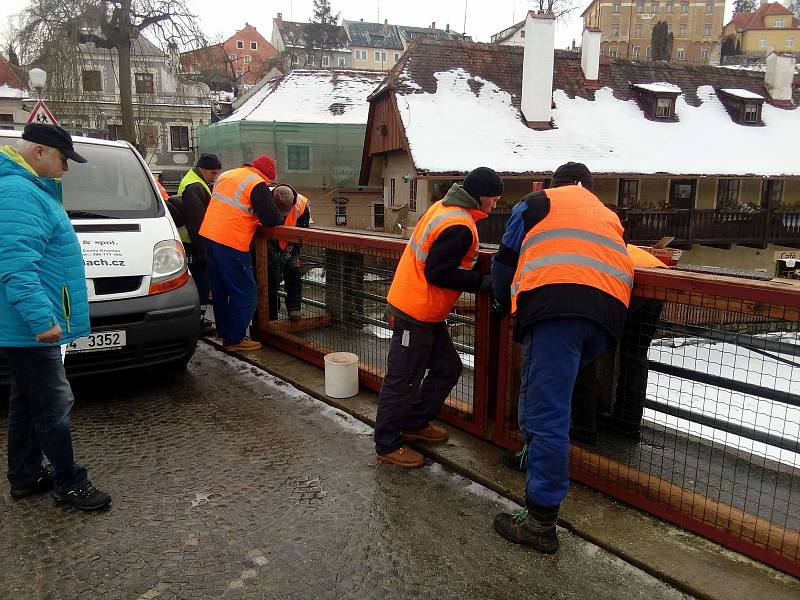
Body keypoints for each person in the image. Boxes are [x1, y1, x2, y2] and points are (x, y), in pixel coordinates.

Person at [490, 162, 633, 552]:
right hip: (607, 318)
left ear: (555, 184)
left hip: (557, 307)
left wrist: (500, 299)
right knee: (547, 393)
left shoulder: (538, 202)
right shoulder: (606, 213)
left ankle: (540, 521)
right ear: (588, 187)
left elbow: (505, 259)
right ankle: (529, 456)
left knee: (546, 412)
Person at [0, 124, 111, 510]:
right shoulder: (19, 193)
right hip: (32, 326)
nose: (66, 168)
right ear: (40, 152)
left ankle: (25, 475)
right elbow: (16, 266)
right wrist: (41, 321)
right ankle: (69, 482)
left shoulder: (28, 190)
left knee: (27, 402)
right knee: (53, 405)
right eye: (64, 159)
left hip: (27, 324)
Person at [374, 167, 502, 468]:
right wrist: (483, 283)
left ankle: (414, 422)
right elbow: (438, 272)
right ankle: (387, 443)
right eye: (494, 200)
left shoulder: (444, 208)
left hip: (426, 311)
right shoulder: (458, 224)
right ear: (481, 197)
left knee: (447, 367)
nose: (495, 206)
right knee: (403, 379)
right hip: (415, 311)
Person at [199, 154, 282, 351]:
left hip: (209, 235)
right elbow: (271, 218)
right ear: (268, 176)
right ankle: (235, 339)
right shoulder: (257, 183)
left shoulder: (229, 175)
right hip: (231, 241)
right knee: (245, 292)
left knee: (220, 290)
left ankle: (224, 332)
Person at [177, 153, 223, 333]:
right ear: (203, 169)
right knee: (200, 283)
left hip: (192, 243)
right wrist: (202, 251)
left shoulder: (195, 182)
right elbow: (197, 222)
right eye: (213, 173)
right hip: (195, 245)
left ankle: (198, 319)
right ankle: (199, 321)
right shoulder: (194, 186)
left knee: (199, 282)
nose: (215, 176)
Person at [268, 184, 310, 321]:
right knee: (270, 277)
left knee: (293, 275)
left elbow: (302, 233)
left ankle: (294, 309)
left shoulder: (302, 205)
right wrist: (275, 252)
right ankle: (272, 312)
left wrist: (289, 251)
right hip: (270, 244)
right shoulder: (265, 198)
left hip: (291, 245)